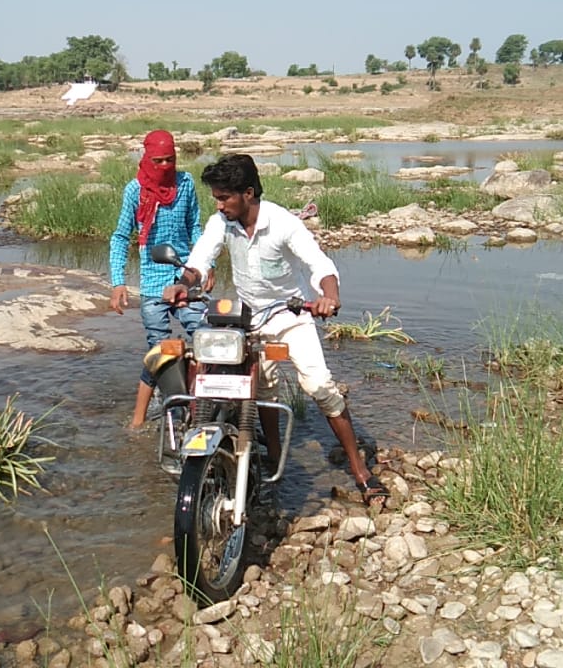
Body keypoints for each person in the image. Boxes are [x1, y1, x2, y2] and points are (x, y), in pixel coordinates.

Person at [162, 154, 387, 507]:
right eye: (216, 198)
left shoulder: (283, 224)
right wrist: (182, 283)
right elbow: (199, 259)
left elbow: (320, 264)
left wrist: (329, 296)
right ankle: (273, 455)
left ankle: (360, 471)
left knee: (318, 385)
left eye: (224, 197)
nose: (219, 205)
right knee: (258, 387)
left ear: (247, 193)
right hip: (248, 318)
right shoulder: (222, 223)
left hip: (291, 315)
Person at [109, 130, 209, 430]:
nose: (165, 165)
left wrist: (207, 263)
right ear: (147, 159)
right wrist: (118, 282)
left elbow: (195, 227)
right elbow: (119, 237)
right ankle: (137, 421)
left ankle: (198, 405)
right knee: (159, 349)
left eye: (170, 160)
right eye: (158, 160)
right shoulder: (135, 191)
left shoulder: (186, 184)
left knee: (205, 338)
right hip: (153, 283)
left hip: (185, 276)